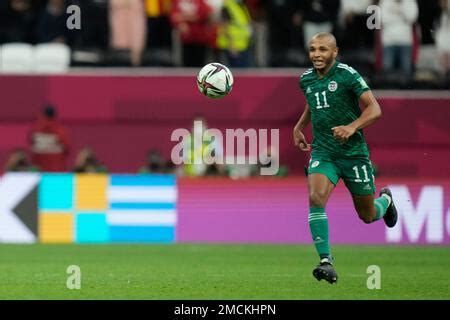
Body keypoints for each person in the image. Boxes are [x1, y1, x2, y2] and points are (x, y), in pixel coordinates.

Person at [293, 32, 398, 284]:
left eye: (322, 50)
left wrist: (352, 127)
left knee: (368, 215)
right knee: (315, 197)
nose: (316, 54)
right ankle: (326, 262)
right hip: (323, 151)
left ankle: (385, 201)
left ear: (335, 52)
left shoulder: (348, 75)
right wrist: (299, 127)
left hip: (353, 154)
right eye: (312, 49)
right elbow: (314, 102)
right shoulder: (306, 79)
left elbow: (375, 109)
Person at [29, 104, 70, 172]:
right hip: (57, 173)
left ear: (42, 115)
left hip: (39, 175)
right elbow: (67, 149)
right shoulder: (61, 131)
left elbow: (31, 145)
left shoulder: (35, 130)